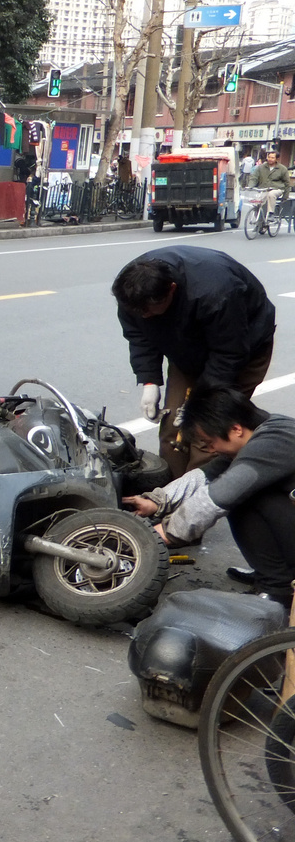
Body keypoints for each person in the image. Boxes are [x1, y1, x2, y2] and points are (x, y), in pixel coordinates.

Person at [123, 385, 295, 607]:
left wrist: (164, 533)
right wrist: (157, 501)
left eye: (211, 442)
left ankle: (277, 591)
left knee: (241, 497)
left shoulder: (275, 442)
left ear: (236, 429)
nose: (211, 450)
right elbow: (207, 474)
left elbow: (221, 494)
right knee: (236, 485)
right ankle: (273, 572)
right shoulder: (258, 434)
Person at [112, 246, 276, 478]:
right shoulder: (132, 291)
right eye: (140, 313)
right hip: (186, 346)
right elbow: (139, 335)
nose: (145, 316)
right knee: (172, 428)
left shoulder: (217, 291)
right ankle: (167, 494)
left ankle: (198, 498)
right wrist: (149, 381)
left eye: (150, 311)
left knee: (206, 434)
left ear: (172, 289)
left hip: (242, 349)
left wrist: (199, 401)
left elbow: (229, 353)